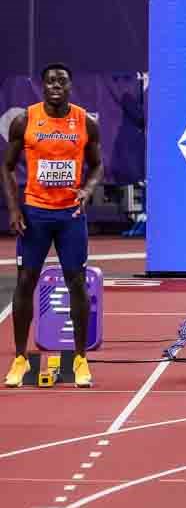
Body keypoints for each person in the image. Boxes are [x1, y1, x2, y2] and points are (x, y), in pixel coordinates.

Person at [4, 65, 103, 389]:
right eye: (50, 81)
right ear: (42, 87)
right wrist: (15, 208)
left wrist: (87, 191)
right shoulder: (26, 120)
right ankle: (20, 358)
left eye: (62, 80)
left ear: (70, 86)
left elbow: (98, 164)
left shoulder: (84, 121)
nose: (56, 85)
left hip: (70, 216)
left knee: (76, 283)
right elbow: (6, 167)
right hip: (35, 215)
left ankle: (80, 360)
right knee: (25, 282)